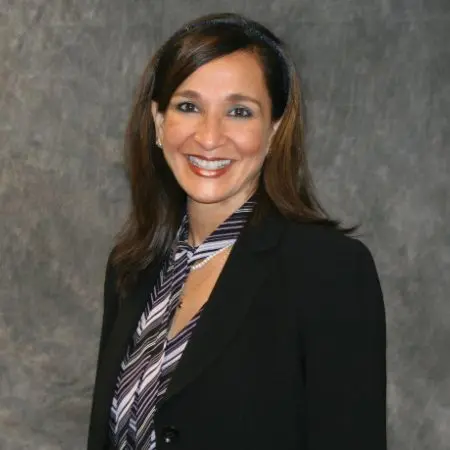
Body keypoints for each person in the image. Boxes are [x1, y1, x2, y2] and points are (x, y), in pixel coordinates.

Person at [87, 12, 386, 450]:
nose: (209, 137)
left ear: (274, 131)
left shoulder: (330, 271)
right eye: (188, 106)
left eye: (239, 112)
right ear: (158, 122)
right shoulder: (131, 266)